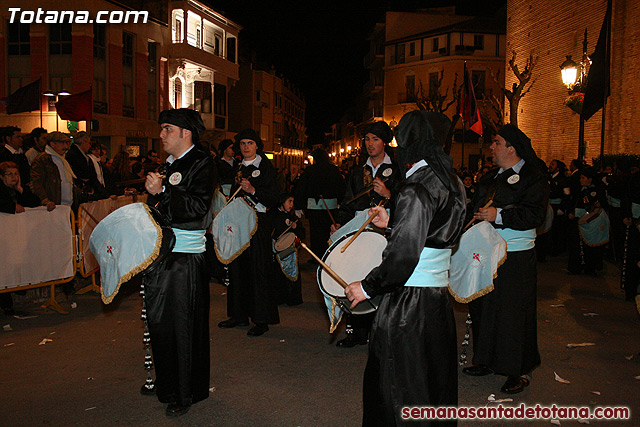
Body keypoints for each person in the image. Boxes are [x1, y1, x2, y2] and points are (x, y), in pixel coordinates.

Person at [344, 111, 466, 426]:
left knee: (398, 381)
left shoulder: (416, 186)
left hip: (408, 300)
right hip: (436, 298)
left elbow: (402, 256)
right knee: (430, 377)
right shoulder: (451, 180)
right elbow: (433, 233)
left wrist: (367, 286)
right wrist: (393, 224)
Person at [143, 108, 217, 418]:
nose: (161, 135)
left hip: (185, 259)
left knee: (183, 326)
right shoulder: (168, 165)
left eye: (166, 129)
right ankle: (167, 383)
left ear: (185, 133)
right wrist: (155, 195)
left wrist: (163, 191)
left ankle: (185, 392)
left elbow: (198, 207)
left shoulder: (202, 163)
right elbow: (159, 207)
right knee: (161, 322)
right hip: (163, 254)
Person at [463, 124, 548, 395]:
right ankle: (487, 359)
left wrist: (498, 215)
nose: (492, 147)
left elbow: (535, 214)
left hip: (515, 256)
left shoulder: (533, 177)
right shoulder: (489, 178)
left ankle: (518, 370)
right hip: (485, 252)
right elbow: (473, 209)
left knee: (513, 313)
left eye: (497, 142)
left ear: (512, 148)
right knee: (485, 307)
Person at [331, 121, 401, 349]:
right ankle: (356, 333)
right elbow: (347, 201)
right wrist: (339, 225)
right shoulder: (358, 171)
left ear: (385, 142)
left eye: (375, 139)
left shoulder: (398, 169)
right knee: (357, 273)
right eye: (367, 139)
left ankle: (383, 331)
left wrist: (388, 193)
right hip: (359, 229)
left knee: (382, 276)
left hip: (385, 228)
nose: (370, 144)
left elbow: (407, 201)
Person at [218, 128, 280, 337]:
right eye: (243, 143)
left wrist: (253, 191)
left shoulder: (266, 167)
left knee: (257, 270)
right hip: (237, 225)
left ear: (257, 146)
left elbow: (274, 197)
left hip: (257, 223)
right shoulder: (238, 167)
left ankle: (260, 319)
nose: (246, 147)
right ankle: (238, 315)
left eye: (250, 143)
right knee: (237, 268)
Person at [0, 160, 41, 316]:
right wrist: (11, 207)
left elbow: (34, 202)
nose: (14, 177)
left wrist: (21, 189)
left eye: (16, 174)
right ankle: (6, 303)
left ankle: (13, 295)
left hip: (15, 236)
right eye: (9, 174)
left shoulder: (17, 190)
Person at [295, 148, 345, 260]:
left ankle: (317, 257)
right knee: (329, 231)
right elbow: (341, 187)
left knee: (316, 233)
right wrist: (340, 202)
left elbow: (301, 189)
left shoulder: (310, 171)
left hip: (314, 207)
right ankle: (329, 255)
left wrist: (299, 206)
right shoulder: (334, 170)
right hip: (331, 206)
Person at [566, 167, 608, 275]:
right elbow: (573, 201)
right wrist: (571, 212)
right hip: (578, 219)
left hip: (591, 222)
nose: (581, 180)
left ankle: (590, 267)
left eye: (583, 178)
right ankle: (576, 266)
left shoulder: (597, 190)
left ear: (590, 179)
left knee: (590, 246)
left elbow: (602, 204)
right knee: (576, 244)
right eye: (580, 178)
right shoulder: (579, 189)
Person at [270, 192, 305, 306]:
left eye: (293, 202)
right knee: (278, 275)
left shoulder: (292, 216)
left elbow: (302, 233)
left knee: (292, 274)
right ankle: (279, 298)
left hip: (290, 252)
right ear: (282, 201)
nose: (291, 204)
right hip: (277, 252)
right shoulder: (272, 215)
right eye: (289, 201)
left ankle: (292, 299)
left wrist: (296, 228)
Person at [30, 131, 77, 211]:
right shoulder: (41, 160)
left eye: (66, 143)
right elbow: (36, 183)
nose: (66, 147)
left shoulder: (63, 160)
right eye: (62, 143)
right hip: (52, 207)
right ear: (52, 144)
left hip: (67, 206)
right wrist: (45, 200)